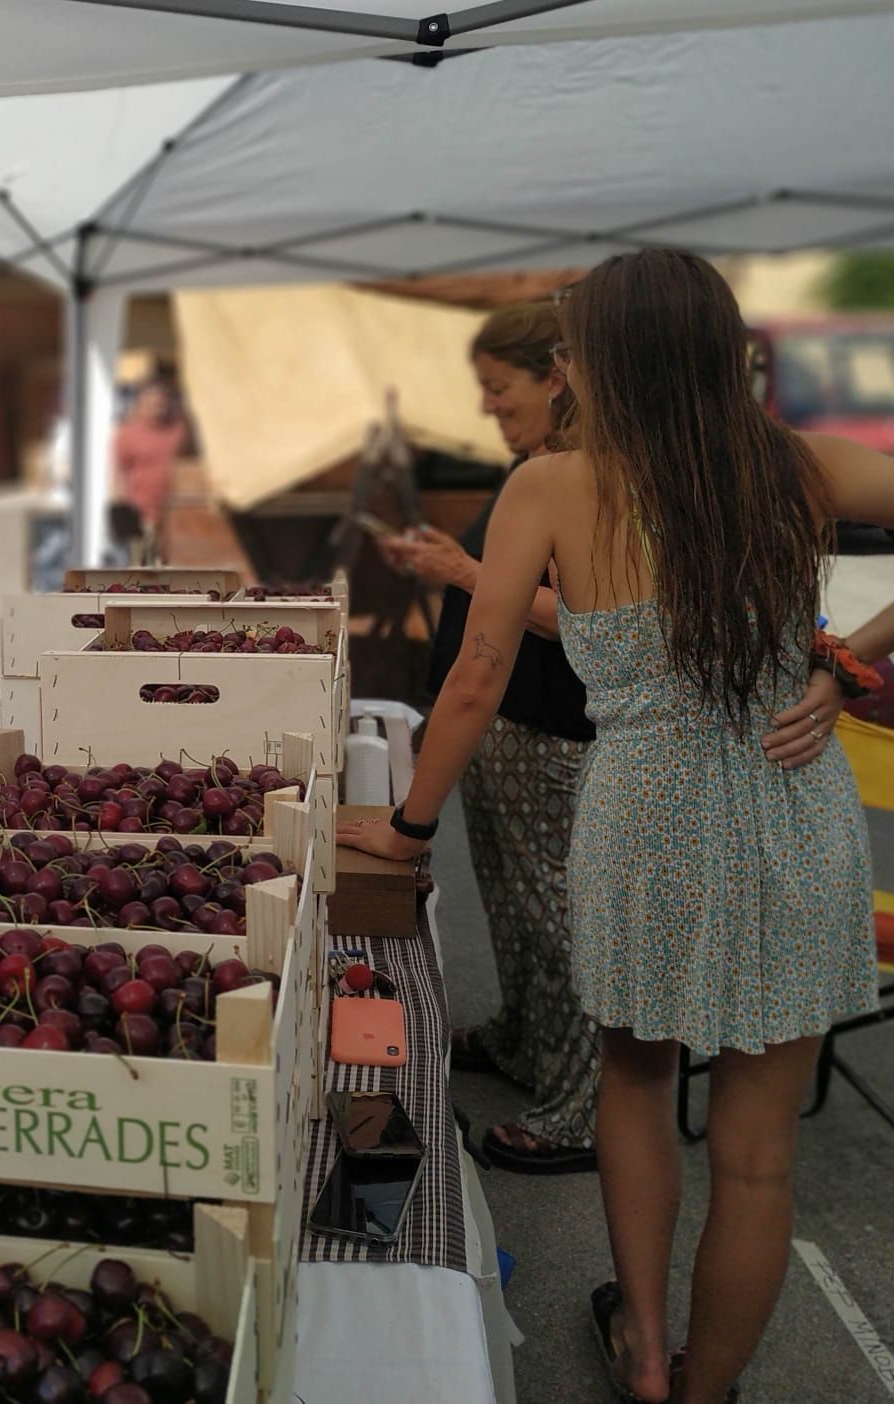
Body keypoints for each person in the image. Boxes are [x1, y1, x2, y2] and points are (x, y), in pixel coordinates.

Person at [339, 249, 894, 1404]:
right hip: (793, 810)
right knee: (757, 1158)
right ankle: (703, 1385)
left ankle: (641, 1349)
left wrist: (409, 829)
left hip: (643, 818)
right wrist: (850, 659)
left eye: (569, 349)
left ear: (602, 362)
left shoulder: (551, 486)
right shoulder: (796, 467)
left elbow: (475, 674)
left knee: (634, 1083)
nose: (562, 366)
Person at [378, 302, 600, 1175]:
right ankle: (523, 1039)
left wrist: (462, 571)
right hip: (511, 729)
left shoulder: (582, 476)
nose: (487, 406)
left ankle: (581, 1110)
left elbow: (589, 619)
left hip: (555, 732)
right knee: (511, 903)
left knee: (559, 919)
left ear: (556, 378)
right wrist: (455, 562)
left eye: (499, 387)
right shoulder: (533, 465)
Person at [113, 369, 191, 561]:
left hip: (178, 515)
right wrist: (124, 512)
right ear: (142, 402)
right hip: (142, 516)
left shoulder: (181, 430)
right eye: (153, 400)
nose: (159, 405)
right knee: (143, 566)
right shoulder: (128, 433)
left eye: (163, 400)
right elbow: (119, 474)